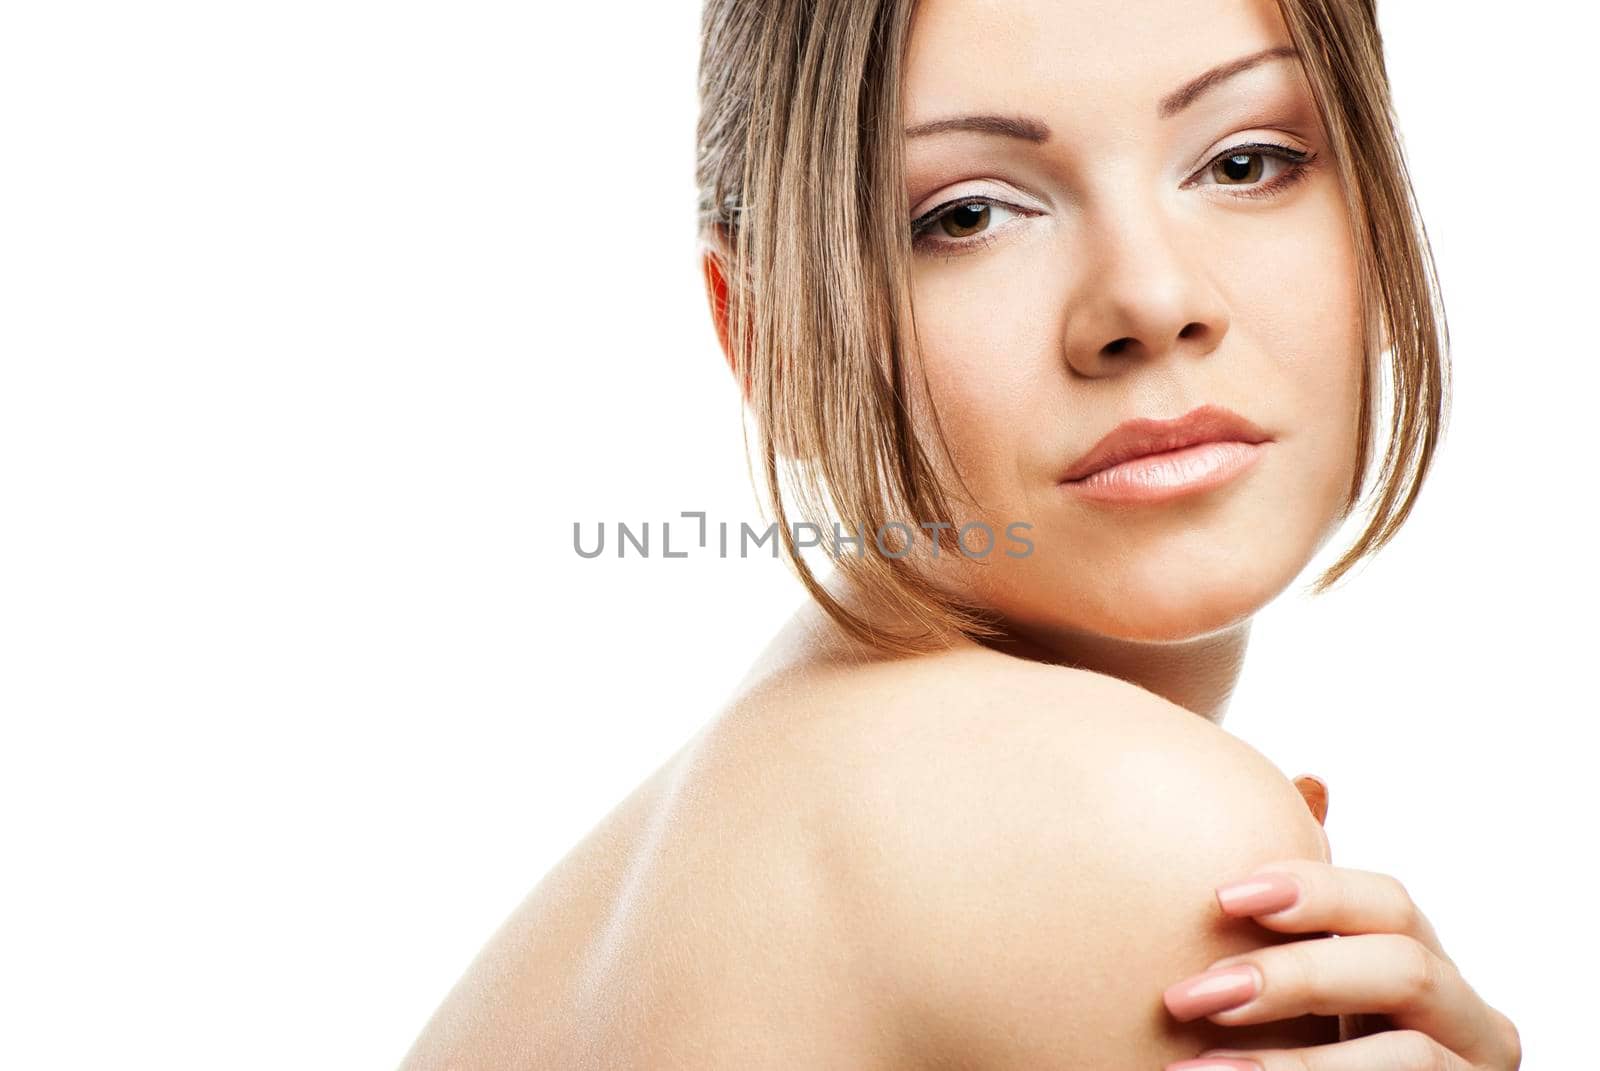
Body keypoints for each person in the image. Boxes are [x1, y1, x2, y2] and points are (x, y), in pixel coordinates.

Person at [399, 0, 1522, 1067]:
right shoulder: (1111, 825)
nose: (1147, 299)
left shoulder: (759, 794)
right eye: (966, 216)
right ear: (769, 339)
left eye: (1244, 162)